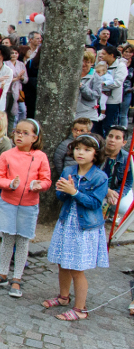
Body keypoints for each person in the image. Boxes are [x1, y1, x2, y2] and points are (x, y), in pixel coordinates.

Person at [0, 119, 51, 298]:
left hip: (29, 205)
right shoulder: (7, 155)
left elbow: (46, 180)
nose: (19, 135)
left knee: (22, 241)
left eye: (24, 133)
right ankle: (3, 273)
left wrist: (39, 185)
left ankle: (17, 278)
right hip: (8, 203)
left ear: (34, 138)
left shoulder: (41, 157)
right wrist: (10, 184)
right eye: (17, 131)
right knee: (7, 238)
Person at [44, 133, 109, 321]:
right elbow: (60, 197)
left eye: (87, 150)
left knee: (77, 268)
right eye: (78, 148)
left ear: (96, 154)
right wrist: (64, 191)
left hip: (84, 227)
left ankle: (80, 309)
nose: (81, 153)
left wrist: (74, 192)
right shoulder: (68, 170)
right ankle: (63, 297)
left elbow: (95, 203)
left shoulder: (99, 177)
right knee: (62, 262)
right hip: (67, 222)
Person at [100, 126, 133, 214]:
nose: (112, 140)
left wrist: (117, 195)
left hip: (116, 190)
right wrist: (106, 190)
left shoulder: (128, 159)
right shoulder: (96, 154)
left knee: (126, 208)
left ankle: (112, 213)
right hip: (96, 188)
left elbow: (128, 182)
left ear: (124, 142)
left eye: (117, 138)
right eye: (110, 136)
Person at [101, 46, 128, 130]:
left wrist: (102, 84)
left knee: (108, 124)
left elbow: (117, 83)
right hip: (100, 98)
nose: (101, 56)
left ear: (111, 55)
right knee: (98, 124)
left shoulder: (120, 66)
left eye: (104, 54)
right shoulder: (102, 64)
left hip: (112, 100)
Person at [76, 49, 102, 122]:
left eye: (87, 62)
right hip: (72, 114)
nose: (84, 64)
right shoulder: (73, 75)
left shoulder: (96, 77)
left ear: (92, 63)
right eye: (82, 61)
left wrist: (82, 87)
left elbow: (95, 95)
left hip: (88, 115)